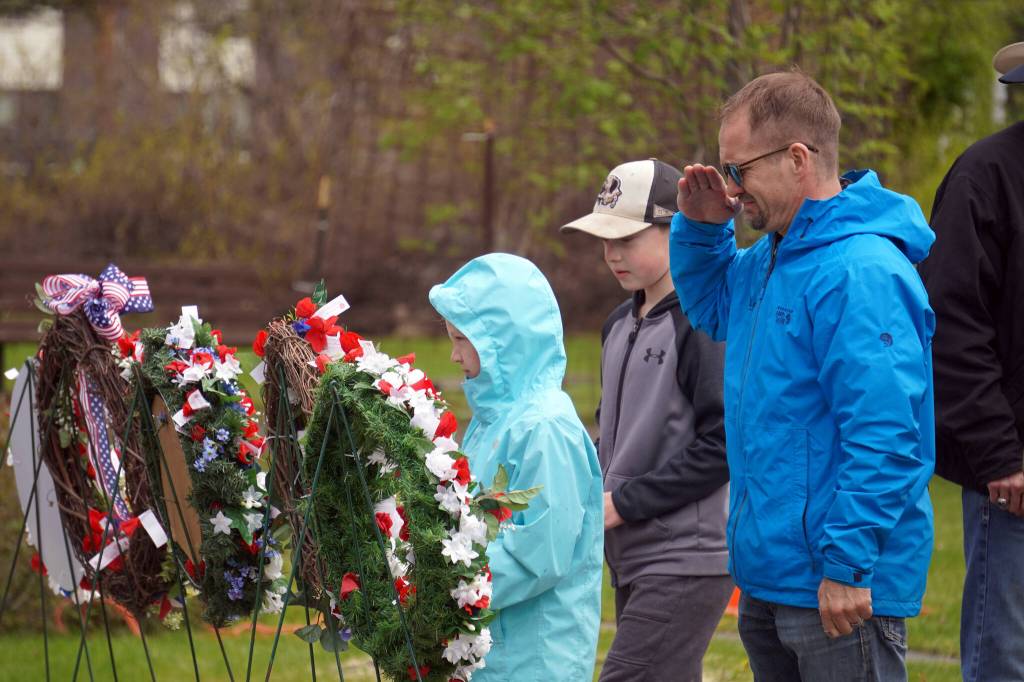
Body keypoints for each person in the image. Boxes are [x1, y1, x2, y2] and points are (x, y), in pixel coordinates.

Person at [670, 70, 935, 680]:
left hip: (837, 588)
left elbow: (888, 434)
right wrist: (704, 227)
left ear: (797, 158)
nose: (733, 191)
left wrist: (847, 565)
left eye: (740, 171)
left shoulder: (859, 270)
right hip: (772, 577)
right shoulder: (771, 256)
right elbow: (711, 309)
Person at [560, 159, 732, 682]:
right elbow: (615, 431)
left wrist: (625, 503)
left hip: (687, 557)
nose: (612, 254)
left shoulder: (702, 323)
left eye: (627, 238)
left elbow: (723, 445)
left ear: (674, 228)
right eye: (603, 240)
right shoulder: (618, 323)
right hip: (632, 553)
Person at [428, 253, 604, 681]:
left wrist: (444, 588)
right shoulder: (494, 421)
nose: (453, 355)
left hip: (536, 658)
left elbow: (539, 554)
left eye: (461, 339)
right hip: (494, 652)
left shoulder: (545, 429)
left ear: (503, 341)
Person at [917, 41, 1024, 682]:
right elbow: (951, 328)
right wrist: (999, 456)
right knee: (1004, 659)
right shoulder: (985, 176)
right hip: (1014, 479)